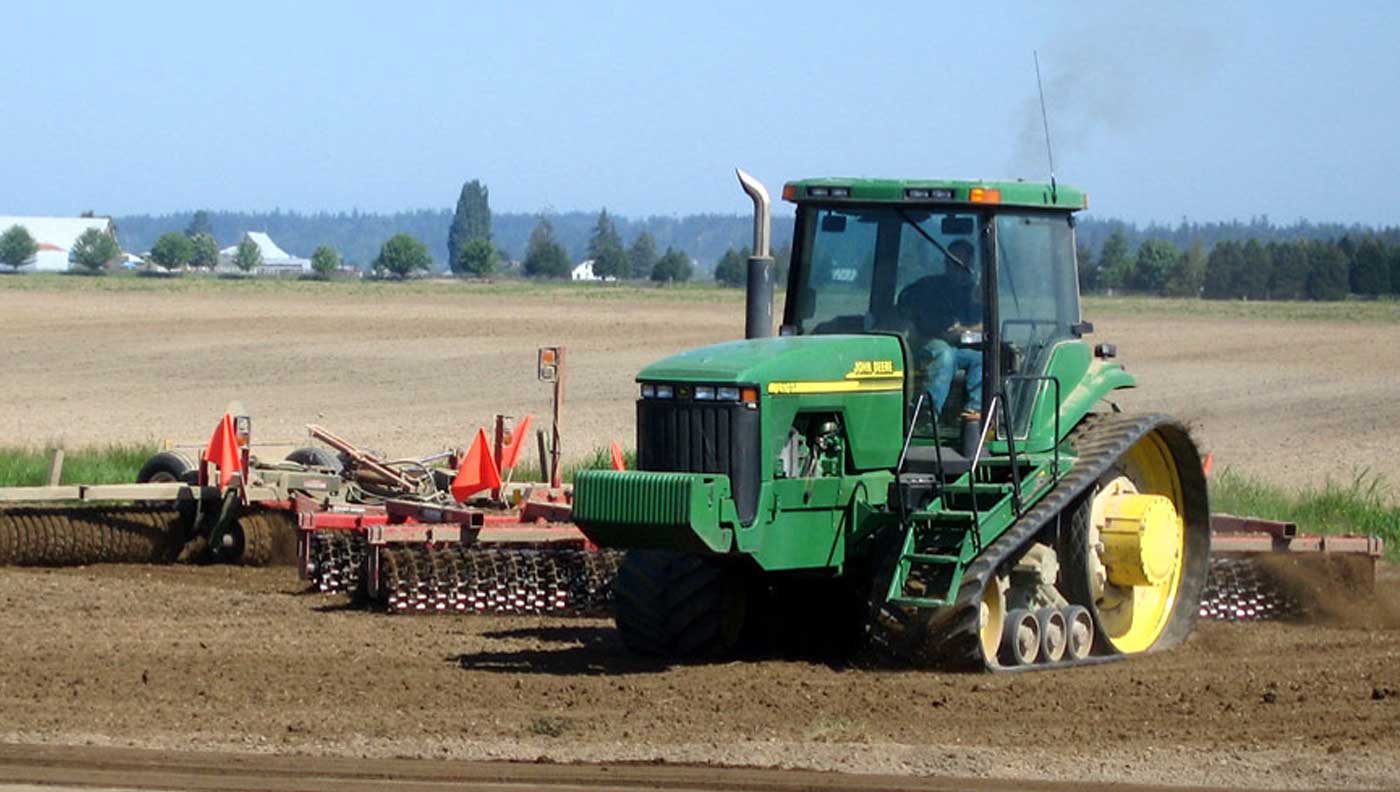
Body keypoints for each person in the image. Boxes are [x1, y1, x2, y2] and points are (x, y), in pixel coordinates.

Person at [898, 239, 982, 423]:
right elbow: (905, 306)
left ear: (970, 264)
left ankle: (974, 415)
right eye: (953, 262)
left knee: (981, 359)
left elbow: (985, 324)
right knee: (944, 355)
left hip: (959, 346)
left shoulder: (976, 293)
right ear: (946, 262)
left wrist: (961, 330)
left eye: (963, 263)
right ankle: (927, 415)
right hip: (925, 342)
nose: (958, 268)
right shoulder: (928, 287)